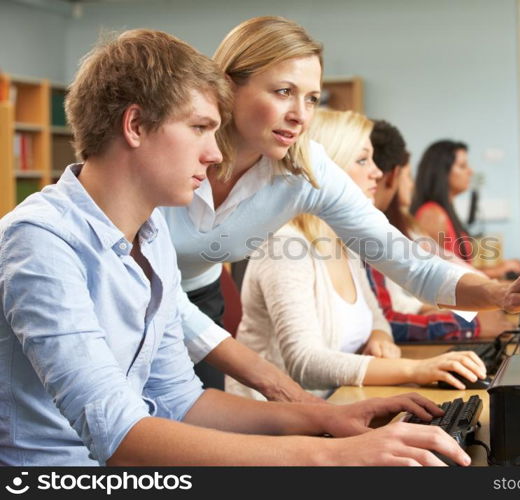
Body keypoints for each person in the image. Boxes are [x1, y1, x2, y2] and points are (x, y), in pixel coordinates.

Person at [0, 29, 469, 467]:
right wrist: (329, 455)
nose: (216, 153)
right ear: (136, 125)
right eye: (200, 128)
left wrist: (325, 419)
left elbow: (181, 400)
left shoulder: (152, 235)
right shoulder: (40, 240)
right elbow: (119, 435)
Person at [161, 16, 520, 391]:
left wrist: (500, 293)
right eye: (284, 91)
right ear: (229, 86)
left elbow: (406, 261)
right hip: (131, 285)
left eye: (311, 98)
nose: (300, 114)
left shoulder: (306, 169)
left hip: (199, 295)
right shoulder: (172, 148)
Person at [230, 109, 488, 399]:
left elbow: (377, 318)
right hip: (276, 425)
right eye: (363, 160)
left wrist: (379, 337)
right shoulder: (285, 247)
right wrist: (415, 370)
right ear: (328, 167)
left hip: (335, 404)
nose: (377, 171)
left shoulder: (345, 241)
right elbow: (304, 362)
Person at [368, 121, 515, 341]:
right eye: (463, 166)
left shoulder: (430, 216)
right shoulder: (431, 215)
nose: (411, 183)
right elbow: (431, 279)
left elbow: (445, 269)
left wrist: (496, 289)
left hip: (459, 306)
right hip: (444, 313)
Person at [411, 140, 520, 279]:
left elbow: (458, 268)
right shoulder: (432, 214)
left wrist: (500, 267)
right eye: (462, 166)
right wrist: (497, 271)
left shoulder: (445, 212)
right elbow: (438, 276)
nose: (471, 171)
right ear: (442, 172)